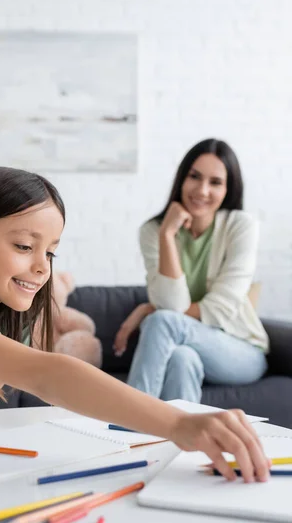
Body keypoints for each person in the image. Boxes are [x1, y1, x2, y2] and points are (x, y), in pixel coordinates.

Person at [0, 165, 269, 483]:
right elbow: (45, 375)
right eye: (24, 246)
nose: (43, 266)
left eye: (51, 251)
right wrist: (178, 424)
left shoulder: (8, 317)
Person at [113, 139, 269, 405]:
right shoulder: (153, 231)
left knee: (161, 320)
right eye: (194, 177)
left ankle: (130, 421)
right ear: (181, 179)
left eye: (215, 182)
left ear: (228, 189)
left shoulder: (241, 226)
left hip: (241, 350)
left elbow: (220, 307)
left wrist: (147, 310)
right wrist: (167, 234)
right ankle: (183, 445)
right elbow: (171, 304)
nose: (202, 190)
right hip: (189, 346)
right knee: (182, 358)